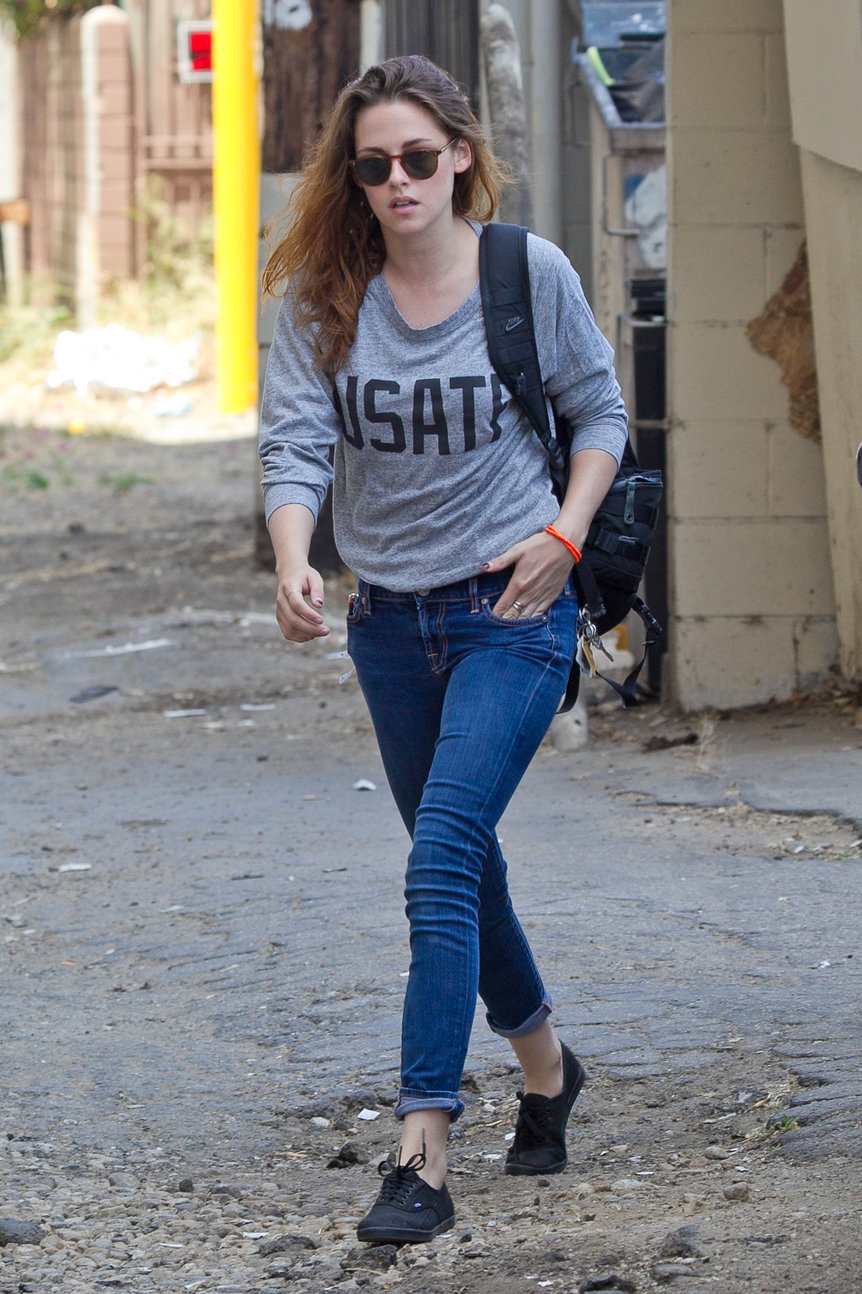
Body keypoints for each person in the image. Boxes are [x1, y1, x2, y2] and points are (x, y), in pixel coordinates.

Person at [259, 54, 628, 1245]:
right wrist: (293, 553)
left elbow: (600, 416)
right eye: (374, 165)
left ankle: (420, 1146)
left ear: (460, 154)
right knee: (463, 862)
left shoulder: (526, 273)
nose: (399, 180)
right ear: (352, 177)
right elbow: (297, 448)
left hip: (511, 611)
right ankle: (546, 1067)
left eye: (420, 156)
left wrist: (564, 539)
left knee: (440, 859)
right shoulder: (324, 296)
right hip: (389, 624)